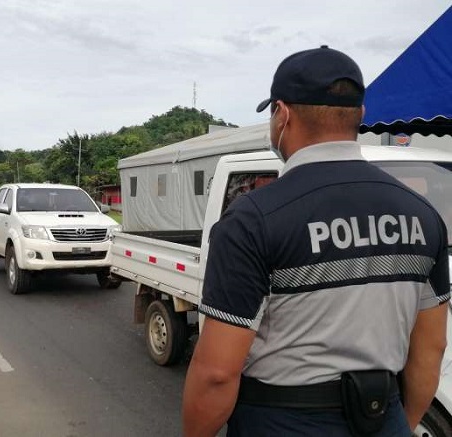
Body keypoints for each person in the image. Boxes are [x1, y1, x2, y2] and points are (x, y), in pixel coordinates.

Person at [182, 46, 449, 436]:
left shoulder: (252, 219)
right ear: (359, 115)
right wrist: (398, 426)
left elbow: (217, 374)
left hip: (280, 421)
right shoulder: (423, 215)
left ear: (283, 115)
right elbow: (431, 349)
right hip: (381, 414)